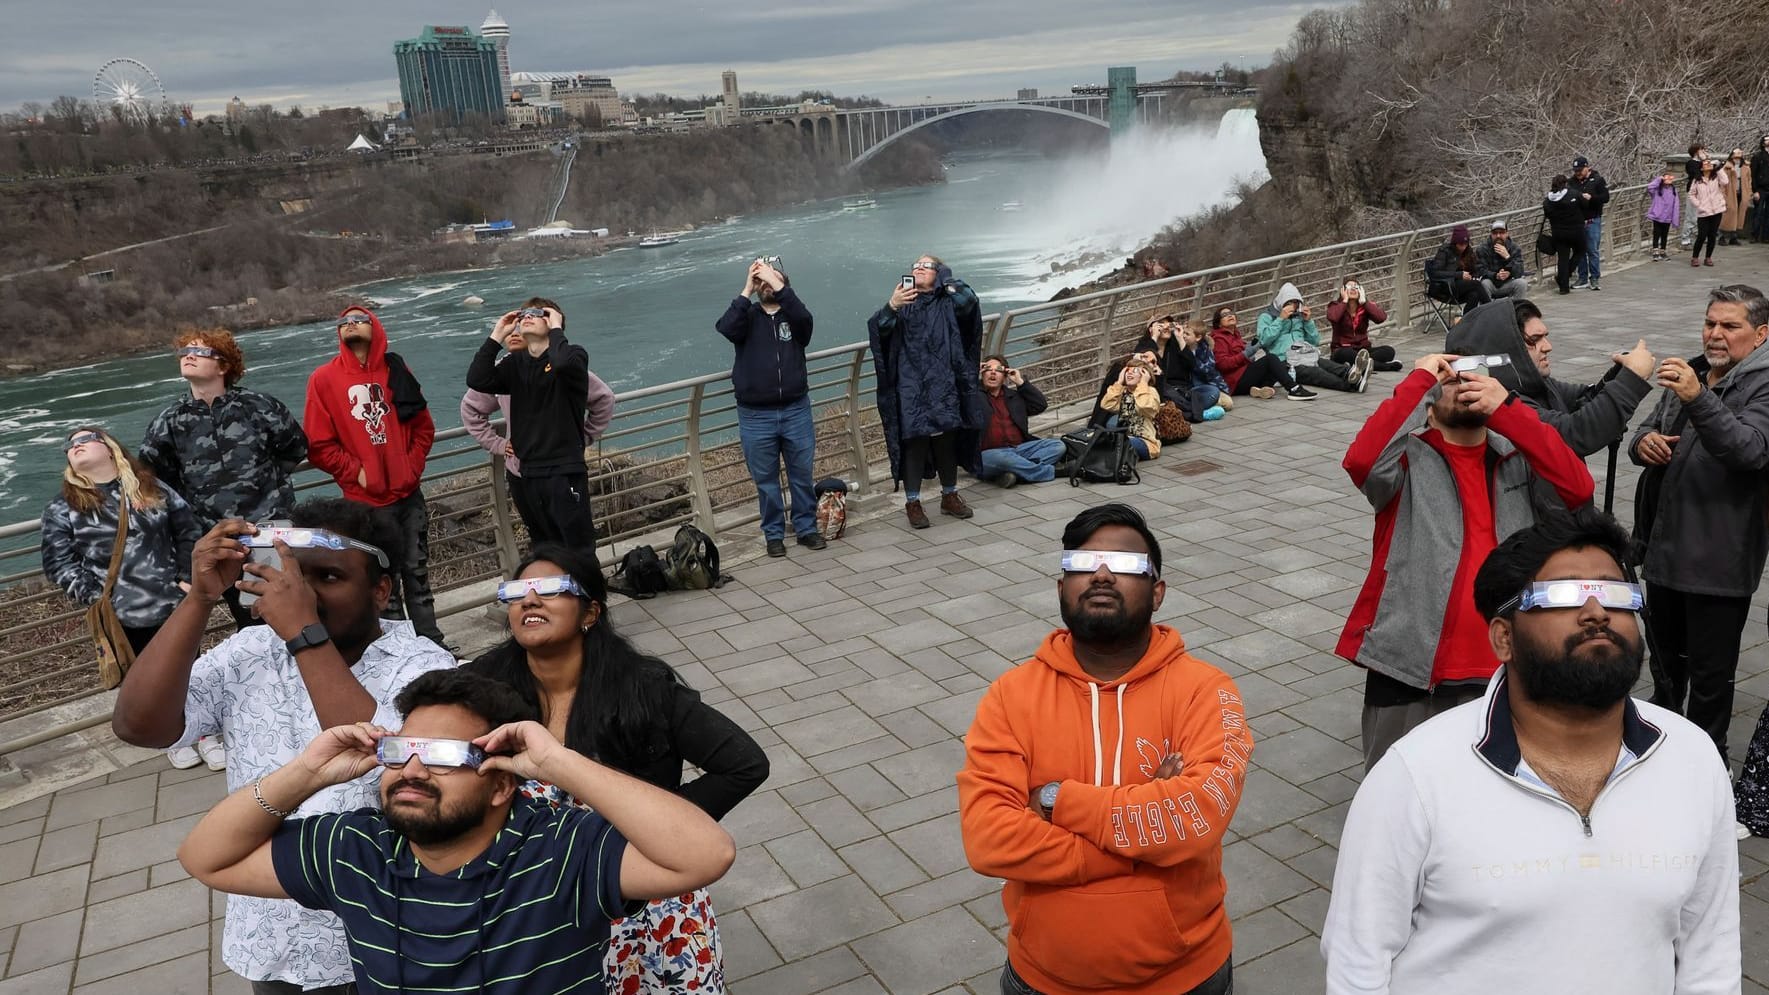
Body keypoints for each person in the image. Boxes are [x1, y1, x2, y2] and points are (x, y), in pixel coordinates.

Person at [1322, 508, 1740, 995]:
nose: (1596, 612)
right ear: (1504, 638)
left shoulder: (1692, 758)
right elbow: (1358, 961)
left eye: (1614, 594)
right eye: (1561, 595)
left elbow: (1710, 950)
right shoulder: (1416, 775)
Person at [176, 668, 738, 995]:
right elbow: (207, 859)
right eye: (401, 752)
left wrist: (559, 764)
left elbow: (705, 855)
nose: (413, 771)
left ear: (500, 783)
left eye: (443, 757)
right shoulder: (356, 848)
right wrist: (307, 772)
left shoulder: (563, 847)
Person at [111, 497, 457, 994]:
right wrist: (200, 599)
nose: (304, 594)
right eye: (295, 576)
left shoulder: (425, 666)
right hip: (270, 934)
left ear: (382, 590)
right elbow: (138, 726)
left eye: (329, 578)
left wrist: (302, 631)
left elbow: (384, 760)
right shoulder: (251, 649)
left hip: (384, 942)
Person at [957, 503, 1249, 995]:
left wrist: (1054, 800)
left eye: (1128, 564)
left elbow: (1194, 816)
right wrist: (1142, 836)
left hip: (1186, 978)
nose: (1102, 575)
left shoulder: (1207, 691)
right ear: (1059, 588)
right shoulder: (1011, 696)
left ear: (1157, 593)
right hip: (1044, 979)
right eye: (1081, 564)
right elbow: (988, 838)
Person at [465, 545, 767, 991]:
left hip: (646, 904)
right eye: (517, 592)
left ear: (590, 611)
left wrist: (653, 826)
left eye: (549, 589)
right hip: (535, 901)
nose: (529, 600)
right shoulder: (480, 688)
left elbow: (744, 764)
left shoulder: (642, 688)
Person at [1338, 353, 1594, 771]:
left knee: (1499, 790)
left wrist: (1510, 411)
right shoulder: (1407, 460)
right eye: (1451, 380)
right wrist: (1419, 377)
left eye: (1474, 378)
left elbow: (1577, 488)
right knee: (1396, 788)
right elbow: (1362, 460)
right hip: (1409, 661)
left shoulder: (1516, 454)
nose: (1464, 385)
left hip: (1509, 659)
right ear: (1429, 400)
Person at [1629, 284, 1769, 763]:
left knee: (1710, 682)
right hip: (1665, 551)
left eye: (1730, 326)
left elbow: (1748, 449)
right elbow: (1645, 431)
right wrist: (1643, 443)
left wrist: (1697, 398)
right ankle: (1657, 758)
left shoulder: (1763, 384)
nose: (1716, 334)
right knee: (1665, 673)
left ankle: (1708, 767)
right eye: (1711, 323)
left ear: (1761, 334)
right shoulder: (1693, 372)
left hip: (1719, 562)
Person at [43, 427, 208, 770]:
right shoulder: (65, 506)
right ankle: (173, 738)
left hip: (172, 603)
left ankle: (205, 733)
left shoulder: (151, 487)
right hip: (121, 616)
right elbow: (59, 563)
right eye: (70, 446)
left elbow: (188, 530)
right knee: (145, 679)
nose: (76, 446)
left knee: (190, 669)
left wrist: (187, 580)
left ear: (110, 447)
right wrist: (96, 598)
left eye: (85, 439)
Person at [139, 328, 308, 629]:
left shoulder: (258, 406)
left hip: (269, 526)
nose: (189, 356)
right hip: (218, 536)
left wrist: (266, 488)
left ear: (224, 365)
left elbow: (295, 446)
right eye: (185, 351)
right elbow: (156, 476)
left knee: (285, 609)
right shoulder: (169, 422)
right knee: (248, 618)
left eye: (201, 351)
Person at [304, 305, 446, 648]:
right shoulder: (324, 379)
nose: (351, 325)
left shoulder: (396, 369)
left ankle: (432, 645)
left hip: (408, 496)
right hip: (363, 504)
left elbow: (424, 428)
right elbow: (318, 444)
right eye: (344, 322)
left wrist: (410, 467)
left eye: (359, 320)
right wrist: (356, 472)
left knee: (417, 574)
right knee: (382, 582)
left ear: (376, 327)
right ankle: (393, 650)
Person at [467, 298, 602, 557]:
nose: (527, 316)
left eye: (537, 313)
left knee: (577, 547)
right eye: (524, 314)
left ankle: (589, 597)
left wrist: (556, 329)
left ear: (553, 320)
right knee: (544, 546)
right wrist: (497, 335)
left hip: (564, 471)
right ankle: (555, 597)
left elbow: (561, 364)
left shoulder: (574, 355)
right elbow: (477, 378)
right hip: (527, 473)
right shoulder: (515, 364)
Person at [1446, 298, 1655, 458]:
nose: (1547, 346)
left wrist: (1619, 374)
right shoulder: (1498, 401)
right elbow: (1574, 434)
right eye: (1534, 340)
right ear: (1507, 348)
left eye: (1545, 336)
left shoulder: (1536, 383)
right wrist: (1631, 379)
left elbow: (1585, 400)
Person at [713, 258, 825, 556]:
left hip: (795, 409)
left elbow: (806, 323)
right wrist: (748, 286)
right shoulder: (746, 316)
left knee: (802, 474)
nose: (766, 285)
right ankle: (773, 534)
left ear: (783, 285)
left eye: (771, 282)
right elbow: (725, 328)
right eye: (761, 282)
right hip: (755, 415)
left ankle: (807, 528)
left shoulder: (794, 316)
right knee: (766, 481)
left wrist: (777, 281)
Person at [867, 254, 985, 529]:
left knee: (946, 439)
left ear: (940, 272)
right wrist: (891, 307)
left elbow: (970, 303)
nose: (918, 268)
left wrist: (946, 280)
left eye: (926, 266)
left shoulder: (949, 301)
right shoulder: (902, 305)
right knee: (914, 441)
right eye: (915, 266)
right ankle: (913, 502)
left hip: (944, 382)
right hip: (910, 385)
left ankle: (949, 495)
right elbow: (879, 330)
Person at [1257, 283, 1370, 392]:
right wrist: (1280, 319)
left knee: (1326, 364)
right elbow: (1263, 341)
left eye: (1296, 302)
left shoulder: (1299, 317)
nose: (1293, 305)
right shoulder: (1266, 317)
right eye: (1290, 302)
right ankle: (1352, 385)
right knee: (1316, 373)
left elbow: (1315, 341)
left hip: (1304, 354)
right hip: (1284, 361)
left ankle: (1352, 372)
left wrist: (1308, 322)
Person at [977, 355, 1068, 486]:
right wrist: (970, 377)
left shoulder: (1013, 397)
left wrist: (1020, 383)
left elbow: (1040, 405)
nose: (992, 372)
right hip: (987, 454)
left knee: (1057, 446)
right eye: (987, 369)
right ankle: (1054, 472)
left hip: (1019, 449)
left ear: (1005, 375)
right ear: (982, 373)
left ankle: (1013, 474)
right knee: (1005, 459)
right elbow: (959, 399)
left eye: (998, 370)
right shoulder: (973, 396)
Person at [1209, 305, 1315, 400]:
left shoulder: (1235, 335)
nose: (1230, 316)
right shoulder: (1219, 339)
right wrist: (1245, 355)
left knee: (1279, 363)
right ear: (1218, 323)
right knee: (1270, 358)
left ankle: (1261, 389)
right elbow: (1223, 364)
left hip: (1243, 376)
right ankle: (1294, 389)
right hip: (1235, 382)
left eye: (1231, 313)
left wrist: (1249, 356)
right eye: (1225, 315)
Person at [1325, 277, 1401, 370]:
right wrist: (1344, 301)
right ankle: (1384, 366)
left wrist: (1365, 302)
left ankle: (1359, 364)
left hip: (1363, 350)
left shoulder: (1365, 307)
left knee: (1389, 351)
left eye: (1356, 287)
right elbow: (1333, 317)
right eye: (1349, 287)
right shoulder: (1335, 305)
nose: (1353, 289)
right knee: (1347, 354)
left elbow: (1381, 318)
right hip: (1342, 350)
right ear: (1343, 291)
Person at [1100, 359, 1164, 460]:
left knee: (1118, 444)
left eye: (1135, 371)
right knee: (1108, 440)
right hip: (1123, 437)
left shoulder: (1150, 391)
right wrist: (1119, 383)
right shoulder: (1124, 391)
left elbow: (1144, 406)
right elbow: (1106, 404)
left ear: (1144, 375)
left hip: (1145, 442)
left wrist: (1143, 384)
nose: (1129, 374)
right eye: (1127, 371)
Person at [1424, 225, 1492, 311]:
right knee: (1476, 284)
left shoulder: (1468, 251)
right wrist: (1459, 275)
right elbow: (1435, 273)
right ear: (1455, 242)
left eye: (1466, 244)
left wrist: (1474, 276)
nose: (1463, 247)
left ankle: (1467, 322)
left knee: (1474, 295)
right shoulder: (1445, 251)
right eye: (1460, 244)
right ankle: (1491, 310)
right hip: (1445, 287)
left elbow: (1475, 268)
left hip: (1461, 287)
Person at [1567, 155, 1610, 290]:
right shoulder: (1571, 182)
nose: (1578, 173)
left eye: (1580, 170)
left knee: (1592, 250)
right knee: (1580, 250)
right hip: (1578, 221)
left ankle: (1595, 278)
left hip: (1592, 220)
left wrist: (1592, 198)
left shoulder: (1597, 180)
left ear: (1587, 168)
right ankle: (1582, 277)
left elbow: (1605, 197)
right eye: (1575, 171)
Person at [1541, 175, 1586, 295]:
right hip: (1576, 231)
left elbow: (1548, 214)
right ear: (1565, 183)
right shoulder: (1574, 194)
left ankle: (1563, 287)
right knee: (1581, 250)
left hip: (1558, 233)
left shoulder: (1547, 201)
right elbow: (1584, 206)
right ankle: (1563, 276)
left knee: (1563, 258)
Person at [1689, 156, 1730, 267]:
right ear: (1701, 168)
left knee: (1712, 235)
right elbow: (1691, 194)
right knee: (1702, 235)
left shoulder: (1716, 177)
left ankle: (1708, 257)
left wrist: (1719, 168)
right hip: (1704, 212)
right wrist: (1699, 205)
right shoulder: (1697, 180)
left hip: (1716, 210)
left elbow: (1725, 182)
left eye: (1709, 163)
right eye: (1705, 164)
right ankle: (1695, 257)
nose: (1708, 164)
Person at [1475, 220, 1530, 300]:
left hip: (1508, 283)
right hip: (1491, 283)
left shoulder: (1514, 248)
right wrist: (1495, 275)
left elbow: (1520, 271)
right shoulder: (1482, 249)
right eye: (1495, 233)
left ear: (1507, 234)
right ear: (1491, 234)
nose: (1498, 236)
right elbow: (1480, 270)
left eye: (1501, 232)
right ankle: (1489, 310)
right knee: (1484, 283)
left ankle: (1515, 309)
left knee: (1522, 283)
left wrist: (1508, 257)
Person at [1645, 167, 1681, 261]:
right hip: (1657, 216)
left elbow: (1676, 205)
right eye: (1666, 178)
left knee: (1665, 234)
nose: (1668, 179)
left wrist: (1675, 219)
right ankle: (1655, 250)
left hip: (1668, 217)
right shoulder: (1657, 190)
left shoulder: (1673, 190)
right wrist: (1659, 179)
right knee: (1656, 233)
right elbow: (1650, 187)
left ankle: (1663, 250)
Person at [1720, 147, 1753, 246]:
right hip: (1730, 193)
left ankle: (1733, 237)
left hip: (1742, 193)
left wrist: (1749, 192)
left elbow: (1749, 180)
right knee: (1728, 214)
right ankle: (1722, 236)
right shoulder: (1727, 167)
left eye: (1739, 156)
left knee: (1739, 214)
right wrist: (1723, 195)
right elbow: (1722, 183)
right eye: (1735, 157)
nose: (1737, 159)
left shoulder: (1746, 167)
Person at [1751, 135, 1769, 244]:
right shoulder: (1757, 156)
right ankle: (1754, 235)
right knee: (1758, 212)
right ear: (1763, 143)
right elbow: (1753, 175)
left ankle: (1766, 236)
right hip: (1761, 188)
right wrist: (1755, 190)